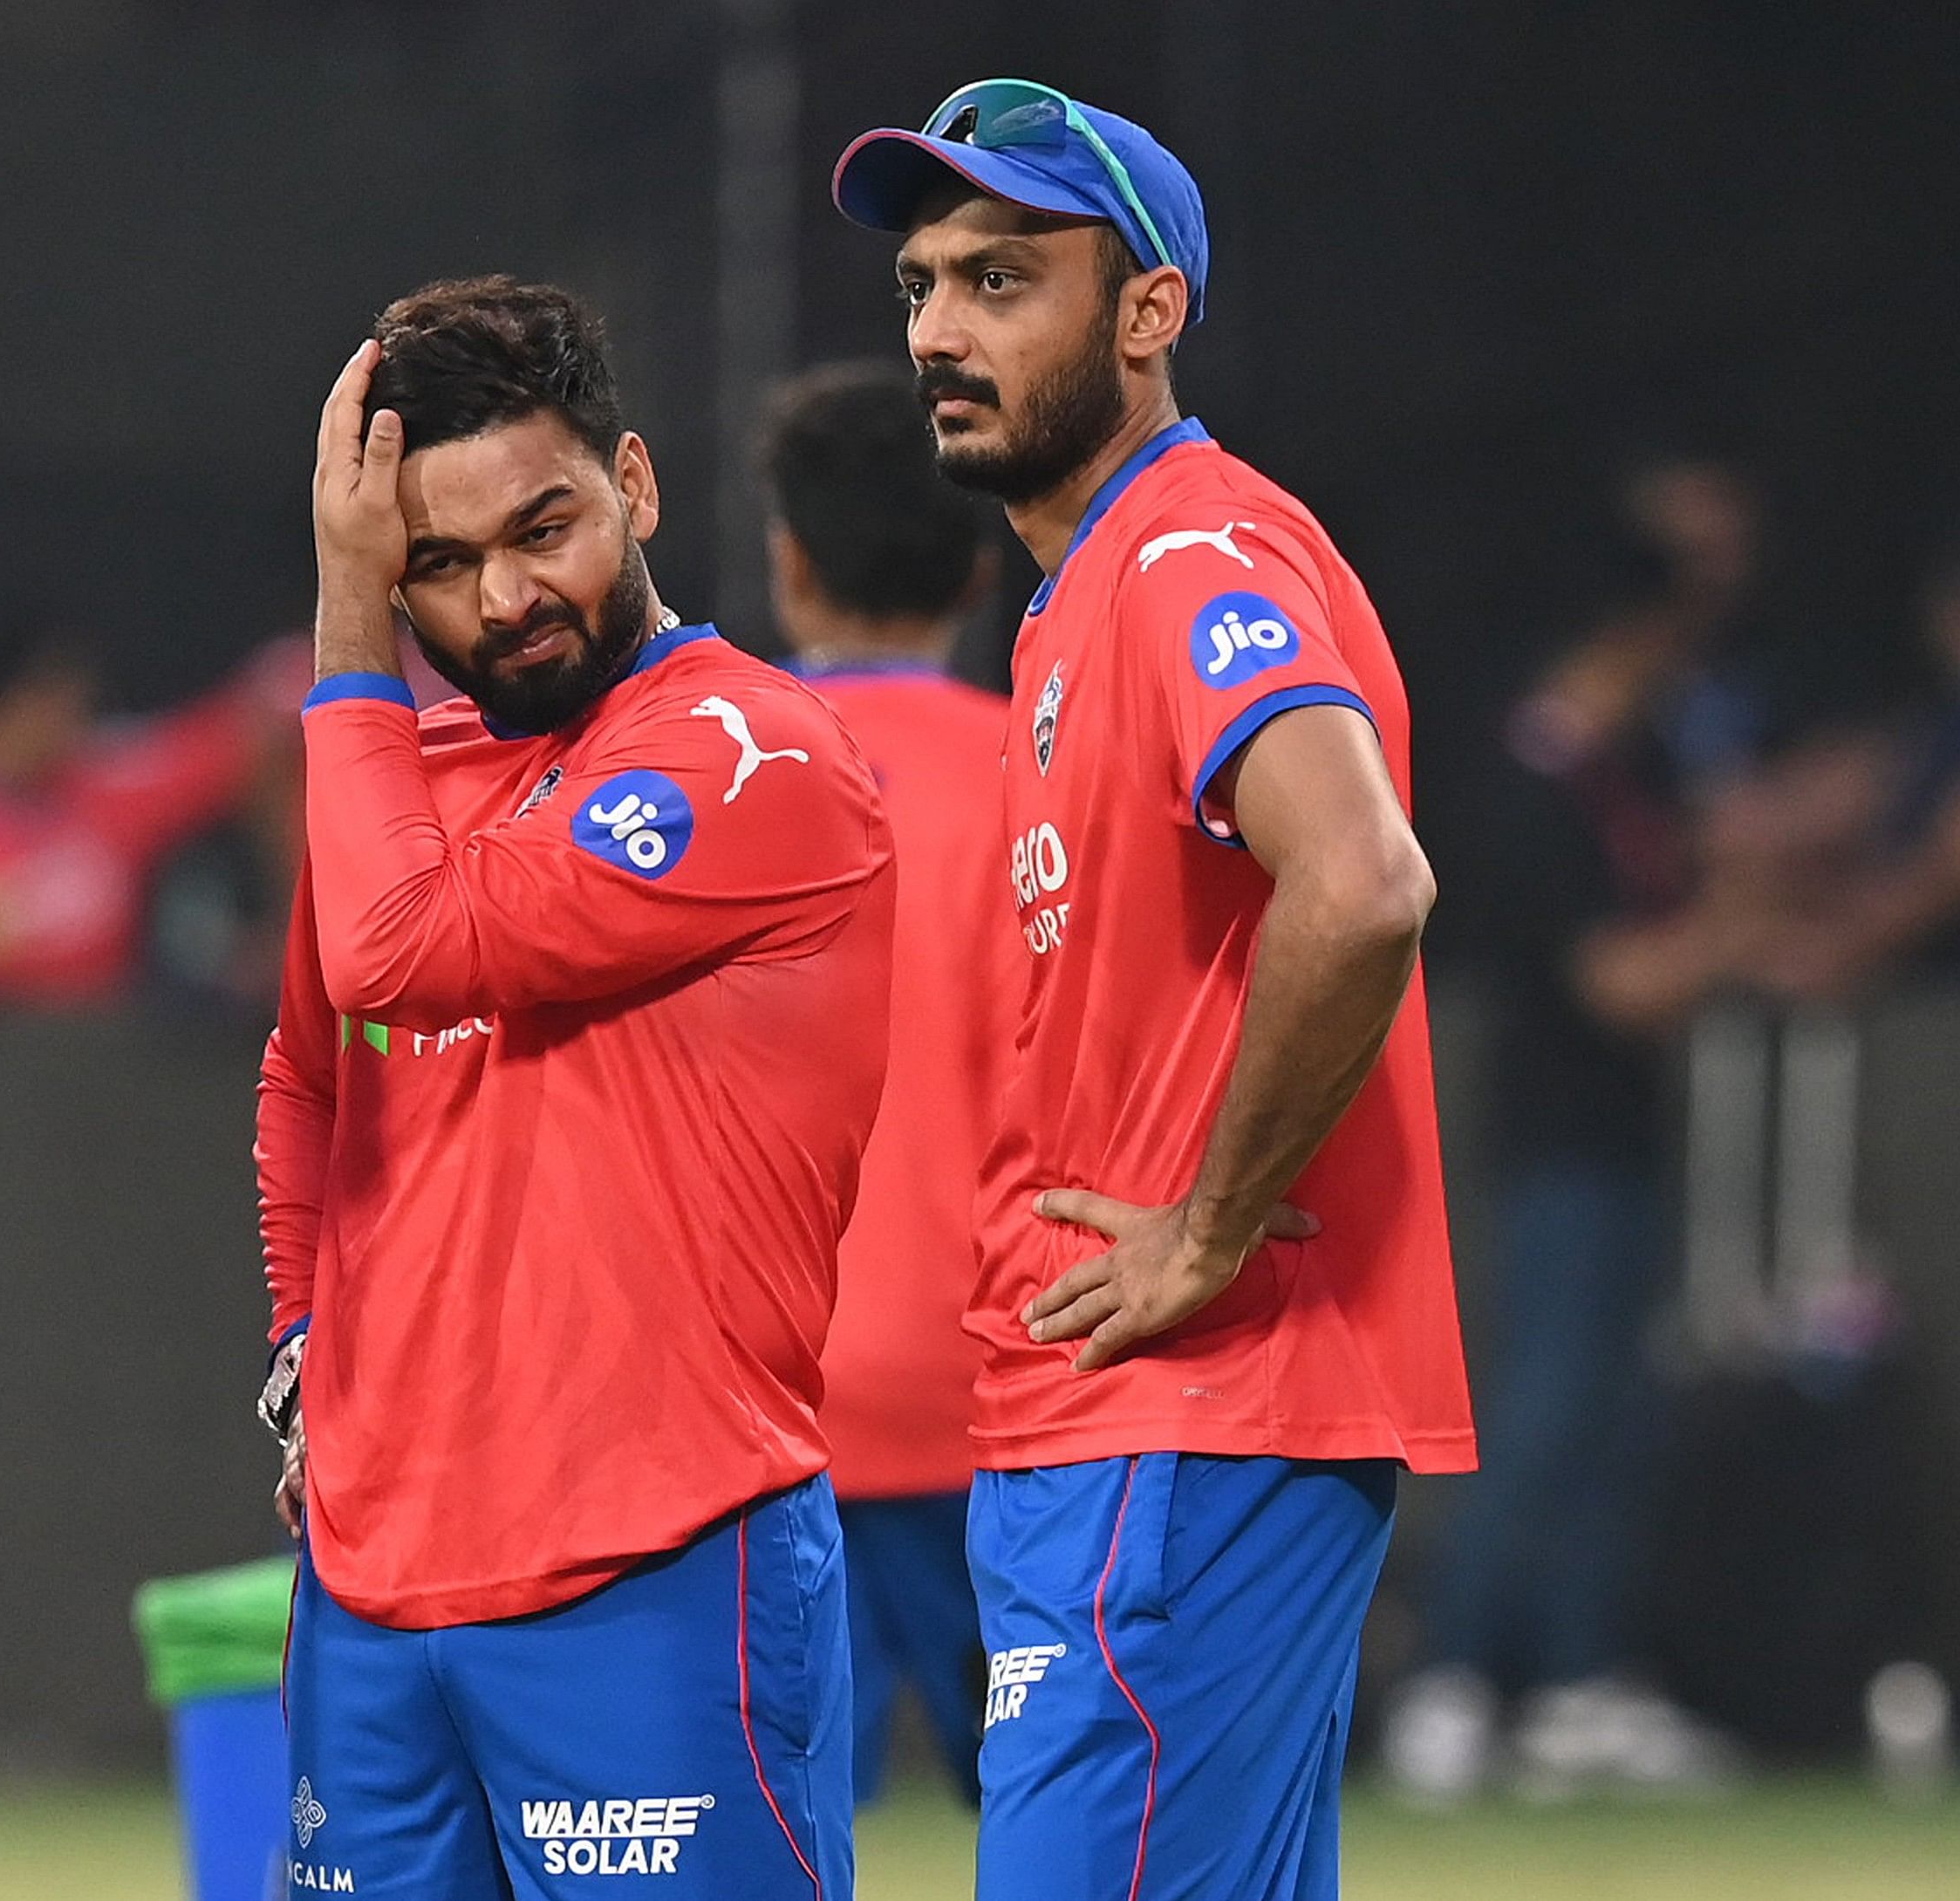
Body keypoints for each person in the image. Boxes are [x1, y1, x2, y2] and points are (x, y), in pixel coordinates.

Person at [835, 80, 1473, 1898]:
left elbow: (1359, 886)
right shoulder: (1074, 597)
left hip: (1190, 1411)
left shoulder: (1188, 555)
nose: (942, 330)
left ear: (1144, 312)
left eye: (1001, 279)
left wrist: (1205, 1229)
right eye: (919, 285)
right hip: (1143, 1426)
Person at [260, 277, 896, 1899]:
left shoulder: (747, 753)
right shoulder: (402, 788)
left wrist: (347, 615)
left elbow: (401, 951)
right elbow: (304, 1074)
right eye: (436, 568)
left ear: (637, 480)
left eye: (543, 525)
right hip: (373, 1591)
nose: (506, 597)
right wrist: (302, 1346)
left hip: (657, 1565)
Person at [1384, 463, 1771, 1802]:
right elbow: (1615, 980)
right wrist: (1758, 925)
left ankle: (1575, 1681)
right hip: (1553, 1145)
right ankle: (1451, 1680)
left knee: (1617, 1417)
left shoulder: (1642, 760)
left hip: (1626, 1141)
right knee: (1543, 1413)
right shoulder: (1533, 774)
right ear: (1632, 622)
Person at [761, 359, 1008, 1808]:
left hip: (759, 1409)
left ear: (788, 561)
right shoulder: (1049, 781)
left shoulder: (686, 777)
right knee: (1069, 1832)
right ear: (982, 565)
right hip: (1004, 1405)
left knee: (763, 1842)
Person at [0, 610, 297, 1007]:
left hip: (87, 1083)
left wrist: (292, 939)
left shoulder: (107, 790)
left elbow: (267, 720)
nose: (72, 719)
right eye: (53, 701)